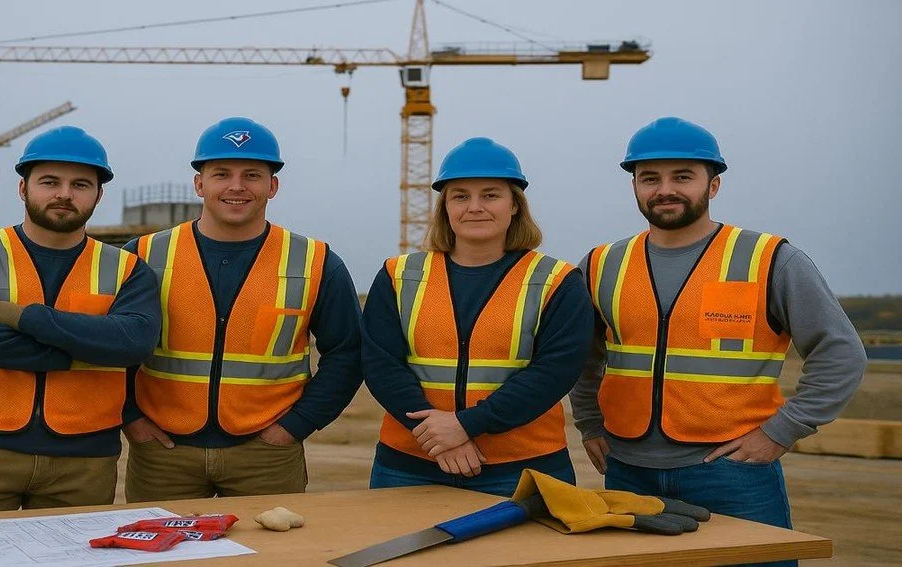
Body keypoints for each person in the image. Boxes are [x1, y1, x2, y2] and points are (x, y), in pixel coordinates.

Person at [570, 117, 866, 564]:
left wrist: (782, 431)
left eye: (683, 177)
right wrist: (590, 423)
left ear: (714, 185)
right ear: (634, 185)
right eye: (649, 178)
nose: (664, 189)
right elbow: (581, 358)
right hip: (628, 469)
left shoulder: (769, 259)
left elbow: (841, 353)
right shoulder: (602, 264)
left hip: (733, 472)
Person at [122, 116, 363, 501]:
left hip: (266, 456)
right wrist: (131, 417)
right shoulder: (143, 255)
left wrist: (296, 425)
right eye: (221, 174)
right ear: (199, 183)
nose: (237, 186)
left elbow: (348, 354)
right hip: (163, 454)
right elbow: (107, 348)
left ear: (273, 185)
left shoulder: (316, 262)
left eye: (252, 174)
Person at [0, 126, 161, 515]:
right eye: (50, 181)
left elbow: (133, 343)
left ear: (98, 195)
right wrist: (78, 354)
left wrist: (24, 318)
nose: (64, 194)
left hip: (84, 460)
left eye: (80, 184)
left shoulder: (127, 269)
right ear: (23, 188)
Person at [362, 137, 594, 497]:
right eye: (460, 196)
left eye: (490, 195)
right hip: (409, 466)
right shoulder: (399, 275)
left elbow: (555, 371)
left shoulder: (556, 281)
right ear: (445, 207)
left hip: (524, 471)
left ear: (515, 205)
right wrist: (442, 438)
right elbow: (381, 364)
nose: (475, 207)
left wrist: (466, 425)